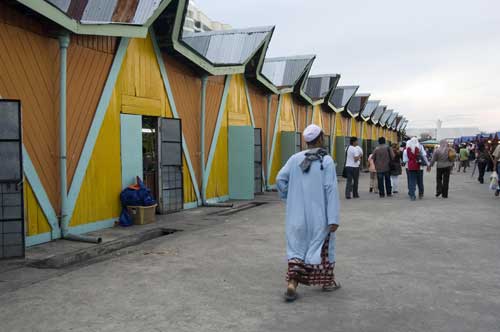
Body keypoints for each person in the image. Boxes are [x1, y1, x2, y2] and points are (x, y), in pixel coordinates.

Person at [276, 124, 341, 302]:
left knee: (297, 248)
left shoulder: (294, 158)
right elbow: (331, 190)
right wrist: (333, 218)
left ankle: (292, 284)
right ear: (320, 139)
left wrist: (289, 197)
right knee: (322, 248)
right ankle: (327, 282)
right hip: (320, 215)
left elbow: (280, 179)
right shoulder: (325, 161)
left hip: (296, 215)